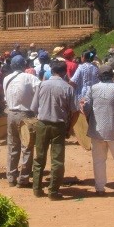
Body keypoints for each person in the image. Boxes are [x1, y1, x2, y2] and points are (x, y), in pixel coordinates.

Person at [81, 63, 114, 196]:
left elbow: (86, 109)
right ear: (112, 76)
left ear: (99, 76)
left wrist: (83, 106)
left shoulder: (93, 89)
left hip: (97, 131)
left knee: (99, 161)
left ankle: (100, 188)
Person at [31, 61, 79, 200]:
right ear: (65, 72)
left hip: (42, 124)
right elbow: (75, 112)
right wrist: (69, 129)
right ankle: (53, 192)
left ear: (52, 71)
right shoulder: (68, 88)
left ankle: (37, 189)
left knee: (39, 157)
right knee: (57, 160)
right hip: (59, 126)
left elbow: (34, 107)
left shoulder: (41, 85)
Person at [3, 54, 41, 188]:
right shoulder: (31, 78)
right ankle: (23, 179)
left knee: (12, 146)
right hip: (26, 114)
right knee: (27, 146)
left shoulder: (6, 79)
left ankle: (11, 177)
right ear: (24, 65)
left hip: (11, 114)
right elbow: (40, 91)